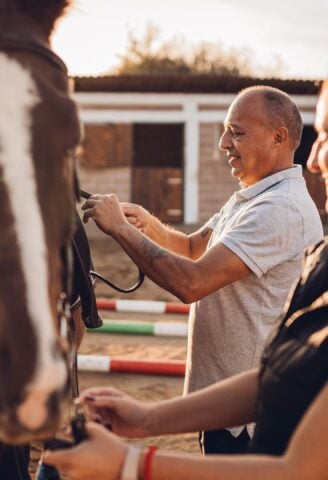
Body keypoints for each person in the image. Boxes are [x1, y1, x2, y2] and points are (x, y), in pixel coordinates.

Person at [43, 80, 328, 480]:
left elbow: (192, 281)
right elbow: (195, 247)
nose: (224, 143)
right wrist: (143, 223)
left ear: (279, 137)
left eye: (238, 132)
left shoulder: (279, 209)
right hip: (222, 402)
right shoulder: (252, 196)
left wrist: (120, 231)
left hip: (246, 419)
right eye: (225, 130)